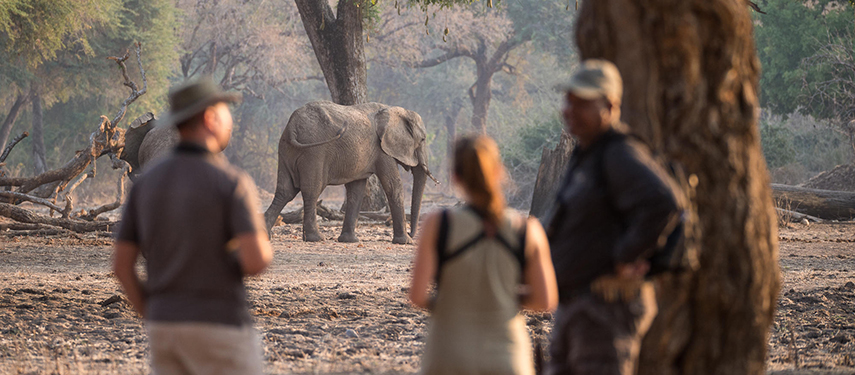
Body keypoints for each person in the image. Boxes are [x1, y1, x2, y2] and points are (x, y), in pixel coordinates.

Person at [113, 79, 273, 375]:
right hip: (219, 323)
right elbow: (256, 261)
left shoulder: (144, 185)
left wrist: (151, 312)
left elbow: (122, 266)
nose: (229, 119)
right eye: (225, 111)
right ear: (210, 118)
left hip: (164, 328)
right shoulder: (231, 182)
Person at [546, 59, 681, 375]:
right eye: (568, 100)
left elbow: (663, 202)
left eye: (581, 103)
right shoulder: (588, 153)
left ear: (610, 105)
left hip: (602, 311)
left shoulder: (619, 153)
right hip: (575, 307)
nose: (569, 109)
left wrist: (624, 256)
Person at [410, 135, 558, 375]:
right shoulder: (527, 229)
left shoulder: (438, 224)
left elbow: (417, 295)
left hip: (448, 355)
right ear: (499, 172)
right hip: (508, 358)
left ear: (455, 177)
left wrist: (455, 302)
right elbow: (545, 300)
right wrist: (503, 299)